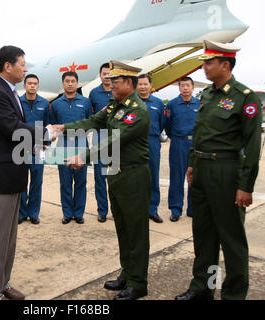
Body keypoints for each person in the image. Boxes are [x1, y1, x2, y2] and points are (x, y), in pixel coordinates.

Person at [53, 60, 151, 300]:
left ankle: (138, 283)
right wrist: (64, 127)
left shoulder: (136, 111)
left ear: (129, 82)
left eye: (115, 81)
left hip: (133, 175)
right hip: (116, 173)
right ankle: (127, 274)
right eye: (110, 81)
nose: (110, 84)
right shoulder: (114, 106)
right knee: (122, 228)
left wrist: (83, 156)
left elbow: (112, 141)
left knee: (136, 232)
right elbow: (91, 122)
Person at [175, 40, 262, 300]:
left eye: (208, 63)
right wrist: (192, 163)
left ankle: (234, 294)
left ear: (225, 64)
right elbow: (199, 133)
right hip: (201, 170)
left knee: (231, 239)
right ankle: (203, 287)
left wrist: (246, 185)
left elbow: (253, 146)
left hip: (226, 171)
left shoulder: (245, 97)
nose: (204, 68)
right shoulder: (208, 95)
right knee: (204, 237)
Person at [0, 45, 52, 300]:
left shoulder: (9, 91)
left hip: (11, 176)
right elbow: (12, 127)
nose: (26, 68)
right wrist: (46, 134)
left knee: (8, 240)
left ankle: (2, 284)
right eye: (22, 64)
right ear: (7, 66)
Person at [50, 71, 92, 225]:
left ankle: (79, 213)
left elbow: (89, 123)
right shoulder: (56, 104)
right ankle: (67, 213)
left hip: (81, 144)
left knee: (81, 182)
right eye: (67, 81)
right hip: (63, 145)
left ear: (77, 83)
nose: (70, 84)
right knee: (65, 181)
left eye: (73, 81)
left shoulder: (86, 102)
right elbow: (54, 125)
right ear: (63, 83)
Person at [165, 77, 200, 222]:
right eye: (182, 86)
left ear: (193, 88)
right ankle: (175, 209)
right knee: (176, 177)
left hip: (196, 144)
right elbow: (167, 125)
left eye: (188, 86)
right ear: (179, 88)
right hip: (178, 143)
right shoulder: (172, 104)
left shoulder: (200, 104)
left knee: (195, 178)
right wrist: (175, 137)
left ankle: (193, 209)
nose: (185, 88)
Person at [19, 74, 50, 225]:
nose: (32, 86)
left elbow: (48, 126)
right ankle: (22, 213)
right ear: (24, 85)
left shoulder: (44, 103)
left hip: (39, 149)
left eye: (35, 83)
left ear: (38, 86)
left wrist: (46, 143)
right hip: (21, 147)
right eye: (29, 83)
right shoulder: (18, 102)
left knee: (37, 182)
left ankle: (34, 213)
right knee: (21, 181)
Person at [136, 74, 166, 223]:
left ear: (150, 85)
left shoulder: (158, 103)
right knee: (136, 177)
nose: (142, 87)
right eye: (140, 84)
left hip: (152, 142)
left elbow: (162, 124)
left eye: (145, 84)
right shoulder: (131, 103)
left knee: (153, 176)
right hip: (135, 142)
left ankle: (152, 210)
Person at [88, 63, 112, 223]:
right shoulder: (93, 93)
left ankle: (118, 209)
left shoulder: (120, 91)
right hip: (99, 136)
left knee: (117, 175)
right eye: (104, 73)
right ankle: (102, 210)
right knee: (100, 176)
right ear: (100, 75)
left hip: (117, 136)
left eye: (110, 74)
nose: (107, 76)